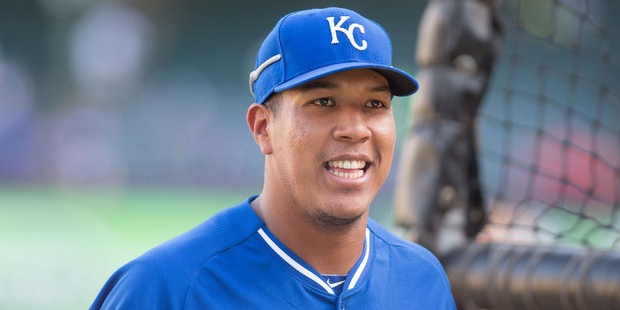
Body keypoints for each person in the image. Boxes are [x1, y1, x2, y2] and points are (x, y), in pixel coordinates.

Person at [91, 7, 456, 309]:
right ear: (263, 127)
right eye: (323, 102)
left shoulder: (422, 280)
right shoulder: (164, 289)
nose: (355, 129)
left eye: (375, 104)